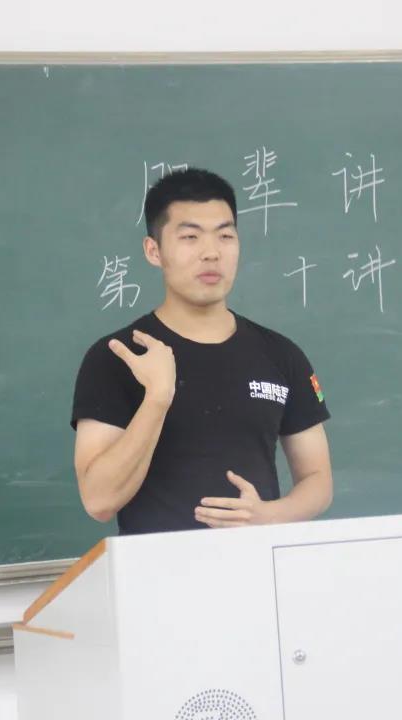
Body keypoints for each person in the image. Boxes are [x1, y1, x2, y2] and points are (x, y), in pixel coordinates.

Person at [70, 168, 333, 534]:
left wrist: (267, 515)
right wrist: (157, 399)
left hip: (257, 564)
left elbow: (318, 480)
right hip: (156, 567)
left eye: (225, 236)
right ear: (153, 250)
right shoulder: (118, 356)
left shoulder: (281, 355)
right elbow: (98, 501)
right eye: (190, 237)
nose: (211, 253)